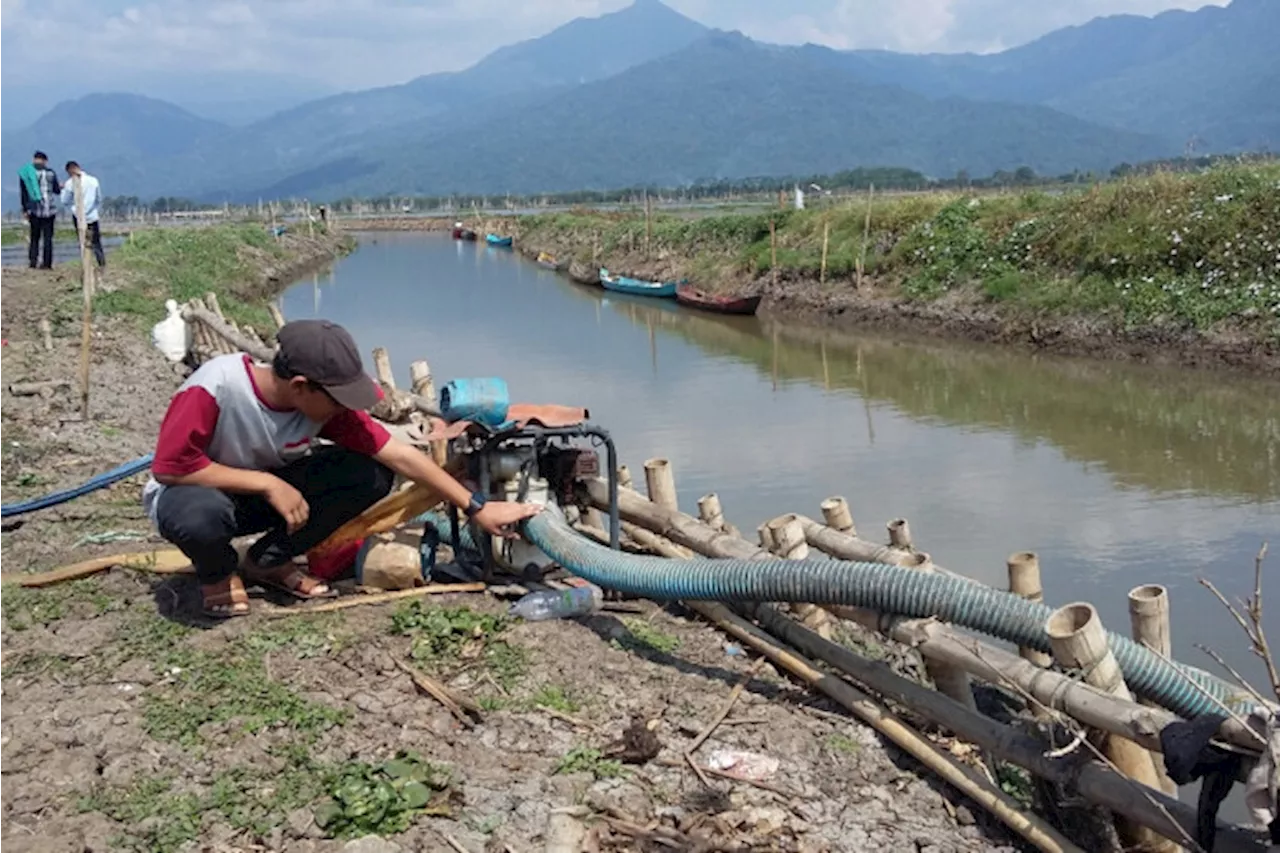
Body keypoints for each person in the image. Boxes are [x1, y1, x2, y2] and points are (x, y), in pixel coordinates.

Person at [141, 319, 543, 618]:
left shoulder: (322, 408)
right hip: (193, 494)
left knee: (369, 475)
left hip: (259, 498)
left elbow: (399, 456)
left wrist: (477, 506)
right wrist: (266, 483)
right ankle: (218, 572)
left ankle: (267, 562)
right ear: (300, 385)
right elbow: (171, 467)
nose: (344, 409)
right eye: (337, 398)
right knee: (199, 517)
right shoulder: (215, 387)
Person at [18, 151, 61, 269]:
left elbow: (24, 193)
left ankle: (33, 262)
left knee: (35, 238)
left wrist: (25, 209)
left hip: (35, 211)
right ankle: (47, 263)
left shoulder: (28, 174)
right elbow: (57, 190)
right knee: (47, 238)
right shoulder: (51, 173)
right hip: (49, 210)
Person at [60, 161, 105, 268]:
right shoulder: (93, 180)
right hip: (92, 216)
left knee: (82, 242)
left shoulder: (69, 183)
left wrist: (63, 190)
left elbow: (65, 201)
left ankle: (86, 264)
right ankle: (101, 264)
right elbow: (99, 198)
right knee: (96, 242)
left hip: (78, 216)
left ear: (69, 171)